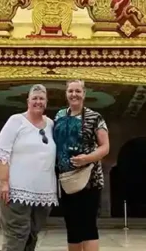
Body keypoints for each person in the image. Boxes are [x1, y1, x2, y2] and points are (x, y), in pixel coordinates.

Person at [0, 84, 56, 251]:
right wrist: (4, 182)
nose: (38, 102)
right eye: (34, 98)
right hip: (15, 190)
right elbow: (1, 152)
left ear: (46, 102)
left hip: (42, 193)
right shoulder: (16, 121)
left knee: (32, 235)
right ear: (28, 101)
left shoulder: (50, 124)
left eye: (41, 98)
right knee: (17, 235)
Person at [53, 80, 109, 251]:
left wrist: (87, 158)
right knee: (72, 226)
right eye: (70, 91)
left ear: (84, 94)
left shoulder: (95, 117)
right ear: (66, 94)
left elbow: (105, 147)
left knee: (88, 225)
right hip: (66, 180)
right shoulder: (60, 115)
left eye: (78, 91)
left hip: (89, 180)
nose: (74, 94)